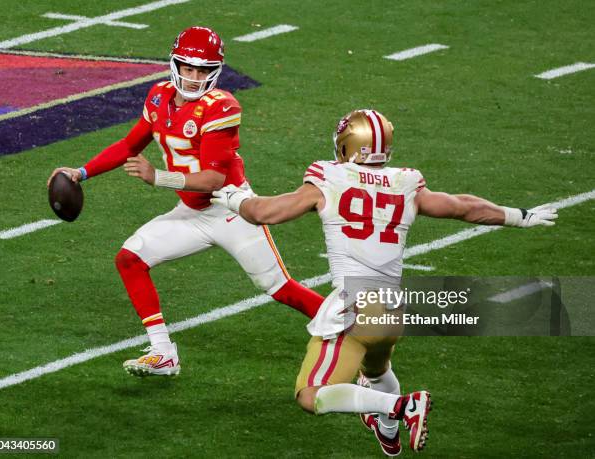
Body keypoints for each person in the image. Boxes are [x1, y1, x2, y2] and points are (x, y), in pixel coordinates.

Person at [211, 109, 557, 455]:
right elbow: (462, 207)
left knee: (310, 395)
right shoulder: (406, 183)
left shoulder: (328, 177)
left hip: (356, 307)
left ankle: (400, 408)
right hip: (391, 312)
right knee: (376, 372)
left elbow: (264, 214)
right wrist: (519, 216)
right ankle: (388, 426)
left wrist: (236, 199)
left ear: (348, 146)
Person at [47, 26, 324, 378]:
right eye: (189, 68)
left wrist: (157, 177)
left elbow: (213, 180)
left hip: (231, 210)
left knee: (280, 288)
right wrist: (82, 172)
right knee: (130, 259)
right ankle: (163, 352)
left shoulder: (221, 107)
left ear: (215, 72)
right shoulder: (160, 96)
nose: (194, 78)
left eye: (203, 70)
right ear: (175, 64)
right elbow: (129, 145)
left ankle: (352, 331)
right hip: (191, 212)